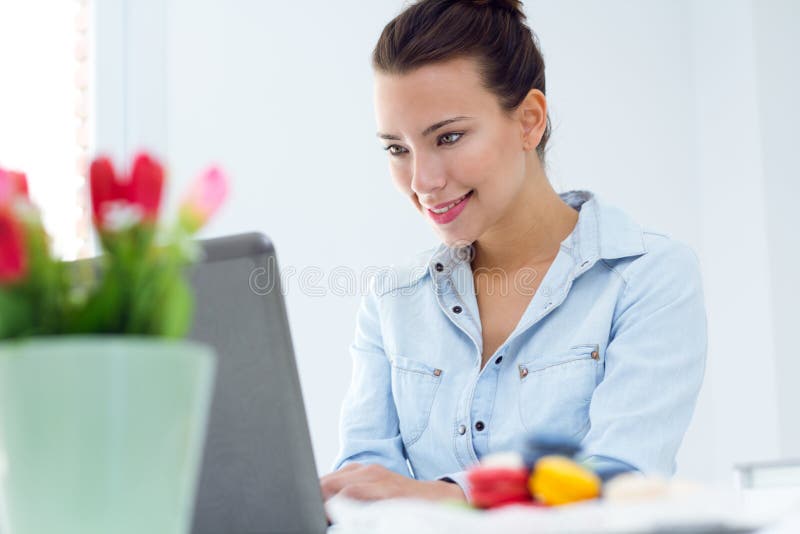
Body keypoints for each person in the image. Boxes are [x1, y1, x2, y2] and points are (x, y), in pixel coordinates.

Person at [320, 0, 706, 504]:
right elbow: (367, 482)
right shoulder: (391, 301)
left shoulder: (648, 277)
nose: (422, 182)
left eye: (449, 137)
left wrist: (450, 498)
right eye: (397, 148)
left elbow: (619, 477)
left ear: (529, 120)